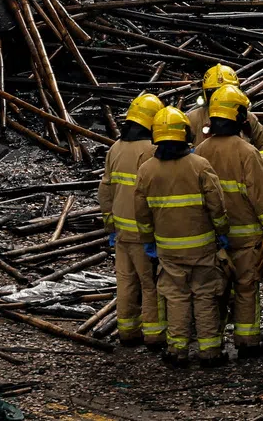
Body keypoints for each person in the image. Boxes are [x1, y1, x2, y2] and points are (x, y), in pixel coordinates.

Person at [134, 106, 230, 367]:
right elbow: (217, 206)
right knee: (205, 295)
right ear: (185, 134)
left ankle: (177, 350)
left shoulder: (146, 170)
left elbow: (141, 214)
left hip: (168, 249)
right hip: (202, 246)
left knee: (176, 297)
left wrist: (148, 242)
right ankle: (210, 351)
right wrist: (222, 233)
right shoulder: (200, 165)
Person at [196, 84, 263, 355]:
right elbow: (261, 197)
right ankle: (247, 343)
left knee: (215, 293)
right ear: (240, 117)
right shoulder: (248, 153)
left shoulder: (199, 151)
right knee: (246, 290)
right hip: (246, 239)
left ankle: (212, 345)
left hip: (212, 239)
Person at [98, 92, 165, 348]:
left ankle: (127, 332)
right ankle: (154, 335)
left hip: (122, 232)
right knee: (149, 285)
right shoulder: (150, 151)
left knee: (125, 283)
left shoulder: (115, 148)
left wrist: (110, 225)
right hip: (142, 232)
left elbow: (105, 190)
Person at [185, 63, 263, 151]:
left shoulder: (247, 118)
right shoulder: (193, 119)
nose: (221, 96)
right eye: (214, 92)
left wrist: (258, 158)